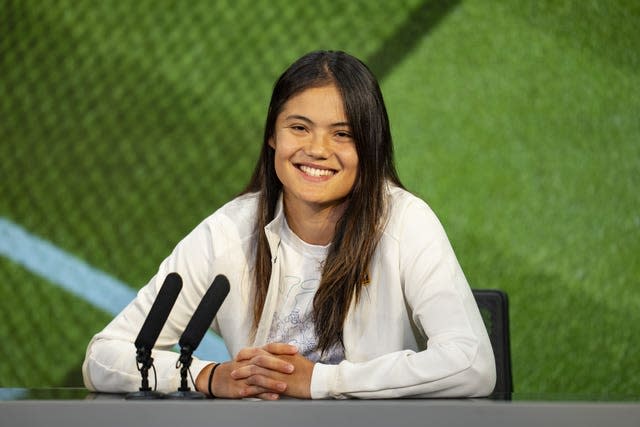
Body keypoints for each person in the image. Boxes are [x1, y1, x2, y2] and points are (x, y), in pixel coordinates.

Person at [82, 50, 496, 399]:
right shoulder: (228, 232)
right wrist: (207, 377)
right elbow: (104, 356)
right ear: (273, 137)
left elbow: (472, 363)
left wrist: (320, 380)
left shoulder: (406, 222)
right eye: (299, 128)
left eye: (343, 134)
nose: (317, 150)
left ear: (370, 147)